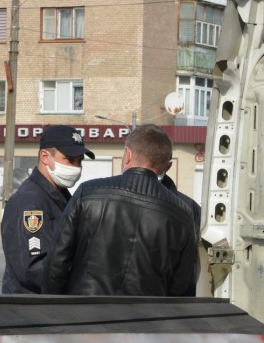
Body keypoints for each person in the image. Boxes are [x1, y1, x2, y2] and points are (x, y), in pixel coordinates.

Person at [43, 123, 198, 296]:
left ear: (128, 155)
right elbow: (182, 284)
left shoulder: (87, 193)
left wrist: (56, 309)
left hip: (85, 313)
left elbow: (57, 264)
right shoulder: (183, 214)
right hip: (147, 317)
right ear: (167, 166)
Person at [0, 125, 94, 293]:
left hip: (49, 306)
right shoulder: (30, 202)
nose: (77, 167)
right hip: (32, 309)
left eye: (80, 161)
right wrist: (83, 279)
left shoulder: (59, 195)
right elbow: (33, 269)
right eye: (70, 160)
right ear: (45, 156)